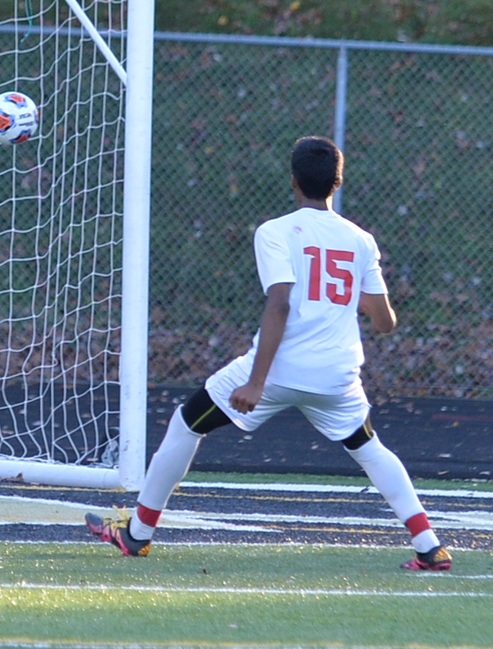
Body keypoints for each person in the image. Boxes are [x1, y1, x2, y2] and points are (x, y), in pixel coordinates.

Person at [86, 136, 452, 572]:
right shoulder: (360, 240)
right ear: (337, 181)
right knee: (370, 449)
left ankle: (138, 535)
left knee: (186, 424)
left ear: (294, 181)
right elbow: (384, 322)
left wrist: (256, 382)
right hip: (337, 375)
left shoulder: (275, 231)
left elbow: (279, 303)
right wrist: (360, 297)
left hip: (281, 370)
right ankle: (429, 546)